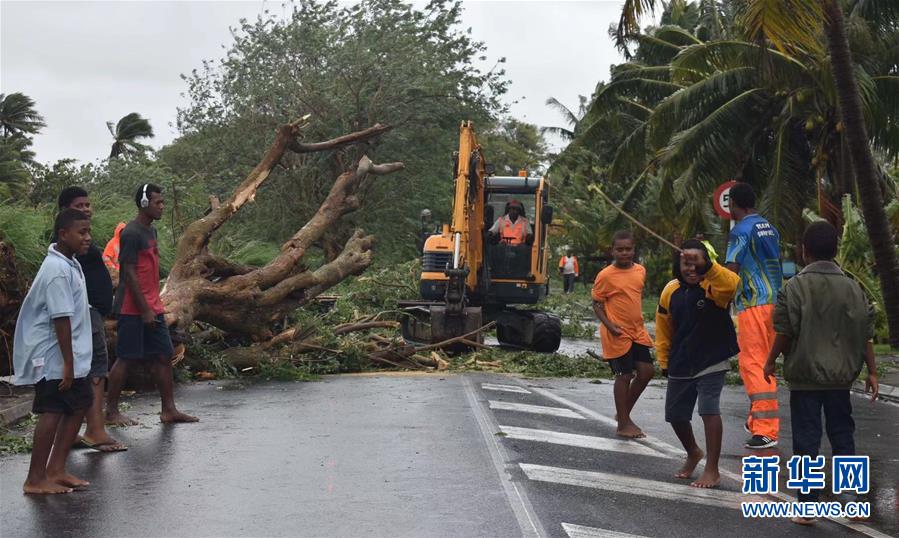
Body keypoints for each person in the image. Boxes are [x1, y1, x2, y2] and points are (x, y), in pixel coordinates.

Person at [764, 221, 878, 526]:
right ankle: (851, 498)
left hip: (805, 377)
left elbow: (784, 331)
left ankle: (807, 506)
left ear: (805, 251)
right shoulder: (854, 288)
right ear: (835, 250)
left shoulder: (794, 287)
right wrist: (872, 372)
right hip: (841, 378)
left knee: (806, 440)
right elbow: (866, 334)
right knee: (843, 436)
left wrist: (770, 360)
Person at [13, 209, 94, 494]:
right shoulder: (57, 271)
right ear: (63, 234)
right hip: (53, 356)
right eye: (81, 232)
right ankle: (35, 479)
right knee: (53, 410)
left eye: (88, 231)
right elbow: (61, 319)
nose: (88, 237)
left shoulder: (70, 263)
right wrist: (68, 364)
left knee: (81, 402)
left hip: (70, 355)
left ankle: (56, 469)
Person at [105, 184, 198, 425]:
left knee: (164, 355)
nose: (162, 206)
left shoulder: (151, 231)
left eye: (163, 202)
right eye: (158, 202)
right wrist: (144, 308)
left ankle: (169, 410)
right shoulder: (131, 233)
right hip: (132, 308)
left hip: (153, 306)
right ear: (144, 203)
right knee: (126, 357)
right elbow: (128, 272)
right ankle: (111, 412)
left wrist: (153, 305)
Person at [656, 240, 739, 489]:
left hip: (712, 358)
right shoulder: (670, 290)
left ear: (705, 263)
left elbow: (732, 284)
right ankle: (693, 451)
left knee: (708, 409)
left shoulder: (713, 285)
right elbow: (663, 328)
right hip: (681, 359)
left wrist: (709, 267)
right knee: (675, 415)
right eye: (686, 263)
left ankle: (712, 469)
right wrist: (664, 360)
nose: (691, 268)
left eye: (696, 262)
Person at [57, 187, 126, 452]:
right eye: (79, 205)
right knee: (96, 368)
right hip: (86, 312)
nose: (86, 209)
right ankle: (95, 429)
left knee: (87, 369)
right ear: (65, 211)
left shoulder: (77, 238)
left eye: (88, 204)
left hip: (92, 311)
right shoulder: (70, 242)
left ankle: (72, 431)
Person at [725, 182, 783, 449]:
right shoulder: (769, 227)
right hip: (775, 303)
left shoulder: (740, 230)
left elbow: (731, 270)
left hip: (753, 303)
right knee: (766, 363)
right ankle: (756, 419)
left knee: (754, 364)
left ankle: (766, 429)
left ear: (733, 203)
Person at [592, 230, 655, 438]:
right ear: (612, 251)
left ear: (634, 250)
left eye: (628, 249)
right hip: (617, 333)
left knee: (647, 372)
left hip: (637, 331)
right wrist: (611, 326)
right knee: (624, 375)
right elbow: (597, 304)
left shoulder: (640, 270)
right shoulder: (605, 275)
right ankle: (623, 424)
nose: (624, 253)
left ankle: (622, 413)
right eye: (620, 249)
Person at [102, 221, 126, 287]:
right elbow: (106, 258)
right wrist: (114, 268)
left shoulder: (126, 242)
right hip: (114, 272)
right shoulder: (112, 243)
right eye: (121, 231)